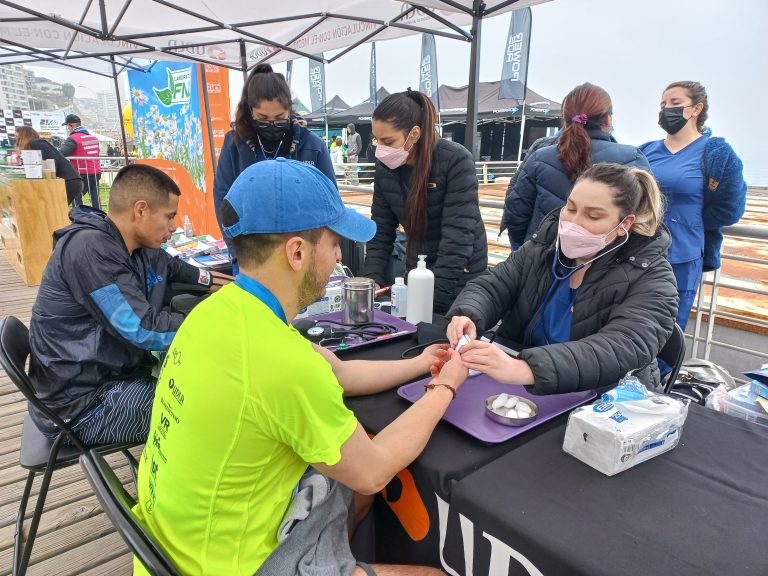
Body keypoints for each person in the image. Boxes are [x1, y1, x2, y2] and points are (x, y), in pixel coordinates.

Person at [134, 158, 463, 576]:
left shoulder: (217, 311)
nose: (339, 256)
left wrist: (421, 363)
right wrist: (446, 388)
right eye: (334, 243)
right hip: (230, 564)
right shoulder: (282, 363)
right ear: (297, 251)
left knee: (347, 483)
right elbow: (374, 470)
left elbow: (338, 374)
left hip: (168, 541)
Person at [28, 164, 230, 445]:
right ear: (141, 210)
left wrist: (225, 285)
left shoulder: (134, 244)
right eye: (169, 217)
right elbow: (143, 329)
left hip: (110, 374)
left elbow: (173, 268)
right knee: (211, 410)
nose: (173, 227)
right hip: (79, 405)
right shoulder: (90, 249)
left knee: (205, 388)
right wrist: (225, 322)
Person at [447, 163, 679, 394]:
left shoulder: (653, 276)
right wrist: (468, 314)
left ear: (624, 224)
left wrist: (525, 368)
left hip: (603, 400)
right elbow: (493, 286)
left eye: (593, 215)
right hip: (523, 386)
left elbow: (623, 346)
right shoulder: (543, 247)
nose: (573, 222)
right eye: (570, 207)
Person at [364, 89, 488, 314]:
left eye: (388, 141)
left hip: (461, 273)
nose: (380, 149)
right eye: (376, 140)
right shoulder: (385, 168)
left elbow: (457, 240)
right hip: (418, 265)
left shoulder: (455, 160)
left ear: (414, 133)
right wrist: (372, 279)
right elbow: (380, 229)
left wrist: (432, 305)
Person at [639, 81, 747, 330]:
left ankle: (662, 371)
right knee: (627, 324)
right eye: (663, 104)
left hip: (682, 256)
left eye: (675, 104)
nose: (667, 110)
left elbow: (731, 208)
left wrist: (690, 224)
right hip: (639, 252)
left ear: (696, 108)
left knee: (666, 329)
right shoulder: (646, 151)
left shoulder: (717, 153)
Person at [501, 83, 650, 247]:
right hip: (608, 262)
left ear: (565, 119)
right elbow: (645, 219)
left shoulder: (540, 157)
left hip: (543, 257)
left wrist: (527, 250)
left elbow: (515, 212)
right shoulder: (632, 158)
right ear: (608, 119)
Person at [214, 63, 336, 258]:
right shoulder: (234, 145)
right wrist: (237, 252)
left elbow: (331, 202)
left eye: (280, 117)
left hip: (301, 255)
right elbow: (223, 199)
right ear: (250, 110)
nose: (271, 124)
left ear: (289, 110)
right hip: (251, 255)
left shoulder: (312, 145)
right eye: (262, 117)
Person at [14, 126, 84, 204]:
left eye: (17, 136)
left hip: (69, 181)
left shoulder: (36, 143)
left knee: (57, 209)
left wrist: (48, 180)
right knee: (56, 210)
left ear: (24, 136)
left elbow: (53, 160)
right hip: (68, 181)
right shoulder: (34, 145)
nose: (15, 139)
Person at [58, 113, 103, 210]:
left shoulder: (73, 139)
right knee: (95, 197)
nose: (68, 129)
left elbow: (61, 153)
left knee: (76, 197)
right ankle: (99, 217)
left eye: (68, 126)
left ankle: (79, 217)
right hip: (95, 171)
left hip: (81, 173)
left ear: (71, 125)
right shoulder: (93, 138)